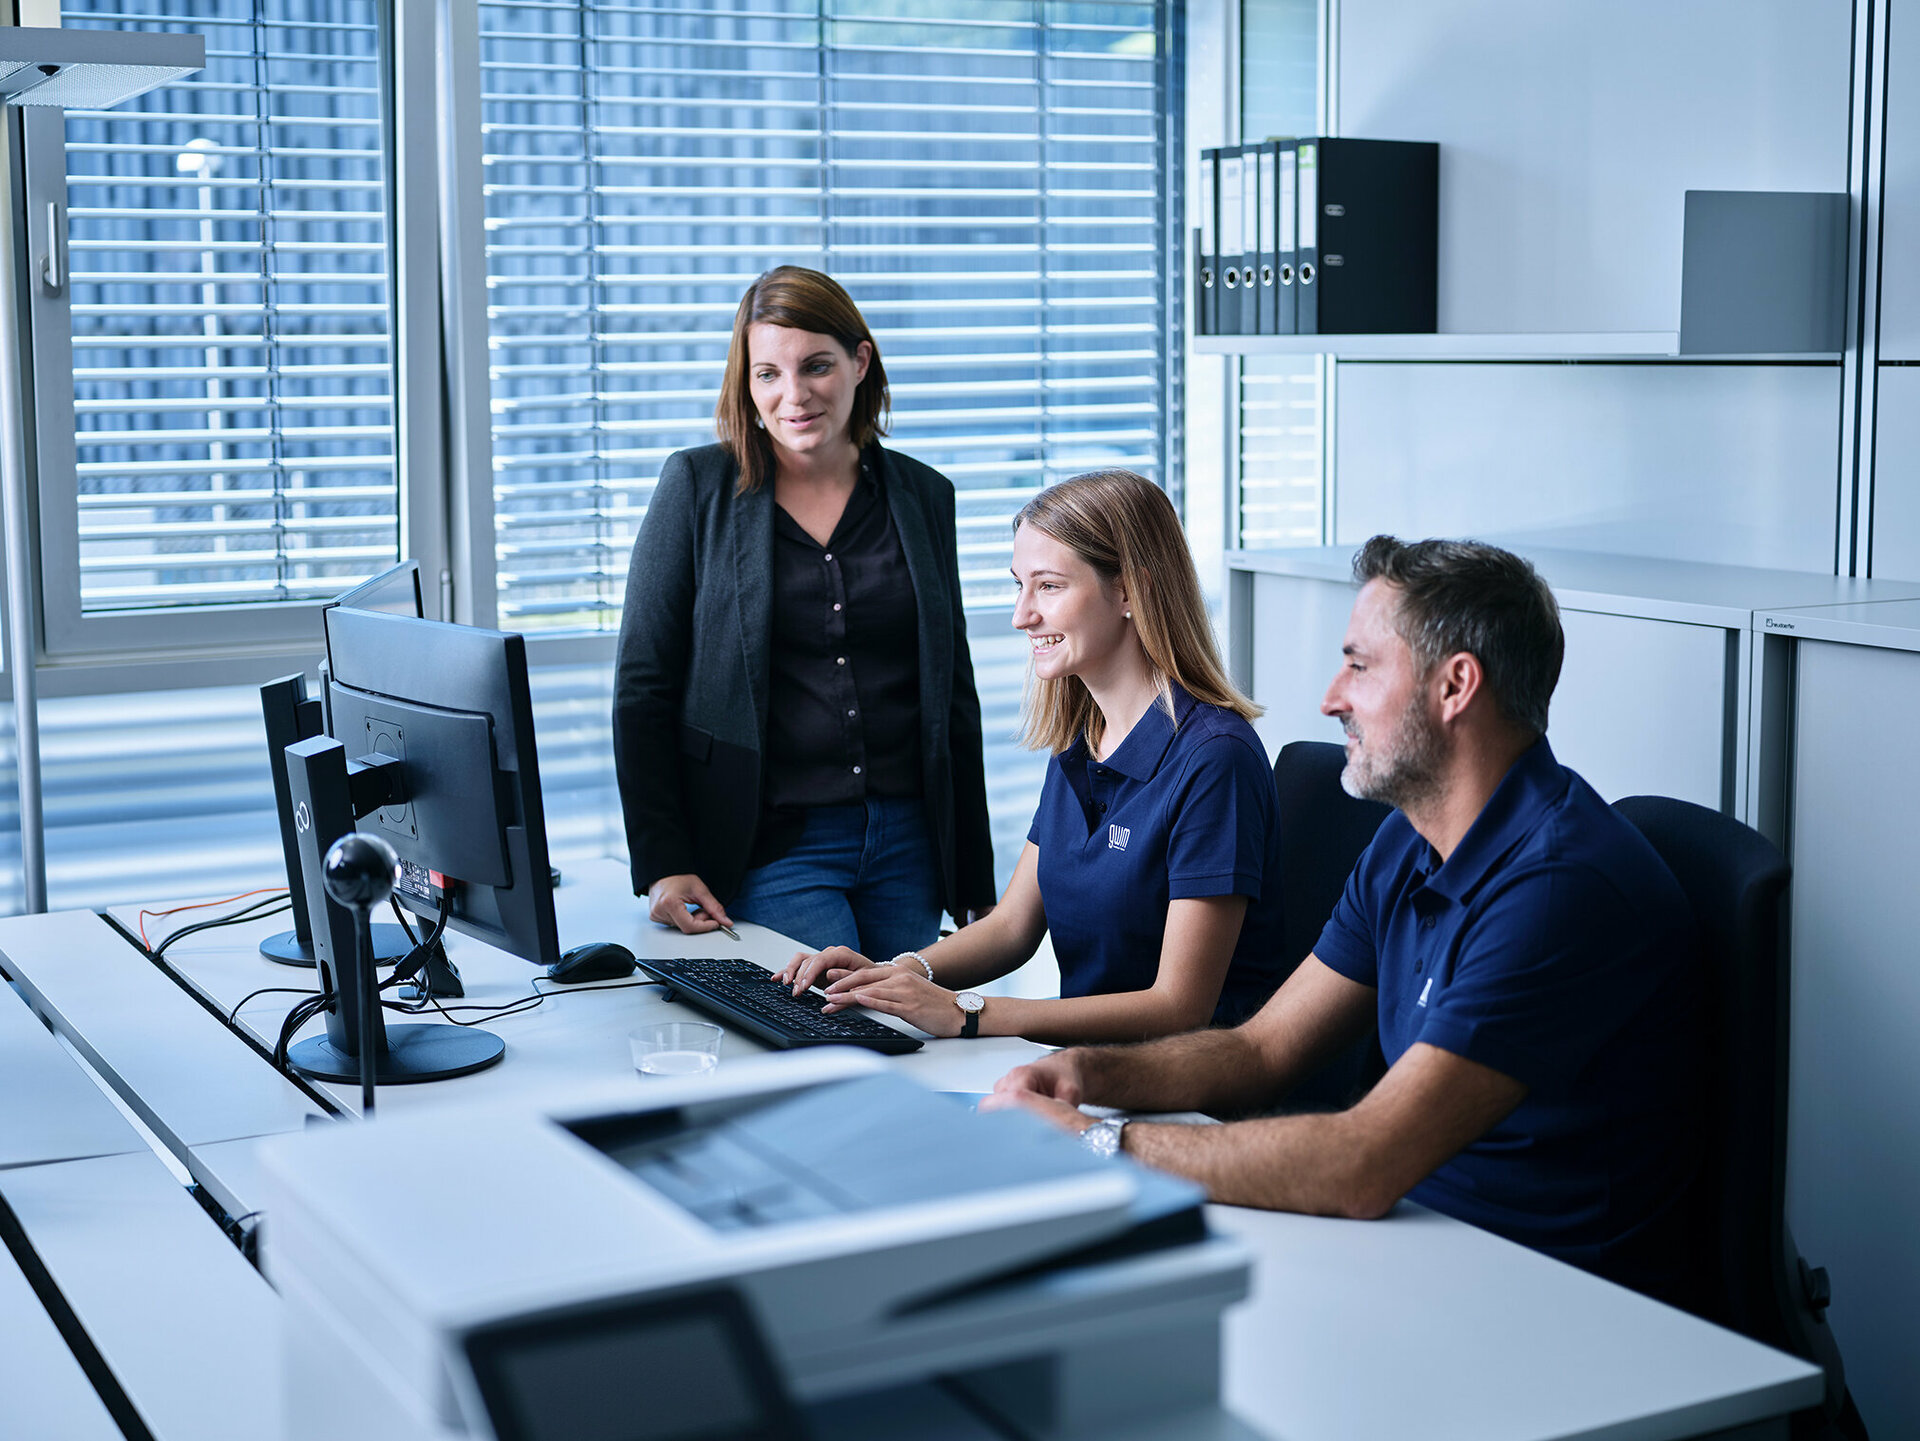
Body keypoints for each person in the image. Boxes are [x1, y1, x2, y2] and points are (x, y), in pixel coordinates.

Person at [987, 536, 1703, 1305]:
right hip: (1414, 1244)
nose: (1332, 697)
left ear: (1455, 685)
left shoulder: (1559, 883)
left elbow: (1364, 1161)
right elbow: (1263, 1049)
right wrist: (1089, 1074)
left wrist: (1102, 1142)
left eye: (1360, 665)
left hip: (1555, 1300)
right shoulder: (1409, 837)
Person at [777, 469, 1285, 1045]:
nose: (1022, 615)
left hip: (1185, 1090)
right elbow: (1013, 927)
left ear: (1129, 591)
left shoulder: (1216, 759)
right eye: (1020, 585)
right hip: (1085, 1068)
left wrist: (969, 1014)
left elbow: (1178, 1008)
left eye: (1048, 586)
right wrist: (896, 973)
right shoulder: (1084, 740)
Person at [613, 266, 995, 959]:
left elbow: (952, 690)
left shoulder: (923, 495)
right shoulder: (697, 487)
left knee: (901, 1029)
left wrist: (973, 871)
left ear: (859, 361)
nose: (793, 395)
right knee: (832, 1025)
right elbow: (644, 685)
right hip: (773, 844)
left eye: (816, 365)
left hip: (907, 844)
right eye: (768, 374)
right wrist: (662, 860)